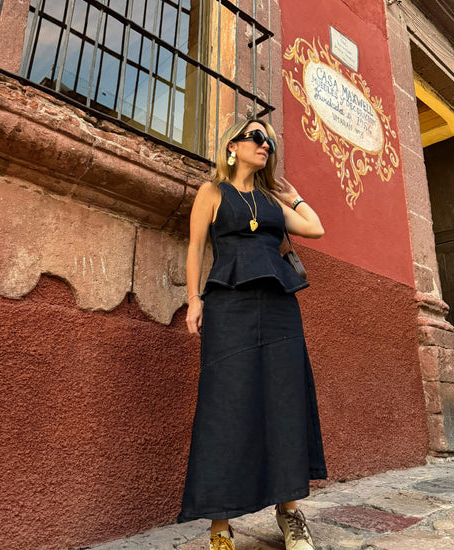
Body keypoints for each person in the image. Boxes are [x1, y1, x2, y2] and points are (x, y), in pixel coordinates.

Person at [177, 118, 327, 550]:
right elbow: (195, 246)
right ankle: (220, 526)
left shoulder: (270, 200)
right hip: (229, 306)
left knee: (284, 401)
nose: (265, 145)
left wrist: (292, 196)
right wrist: (193, 299)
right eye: (257, 137)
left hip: (280, 307)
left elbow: (315, 227)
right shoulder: (212, 192)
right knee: (225, 405)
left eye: (270, 142)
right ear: (233, 146)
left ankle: (290, 513)